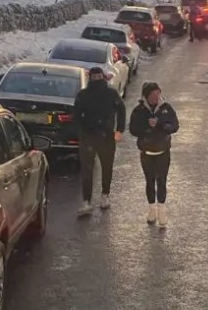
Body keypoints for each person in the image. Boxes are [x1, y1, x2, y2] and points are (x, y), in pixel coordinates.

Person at [72, 67, 126, 216]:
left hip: (107, 136)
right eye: (94, 77)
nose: (96, 79)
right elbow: (76, 114)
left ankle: (105, 195)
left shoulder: (111, 93)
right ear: (90, 78)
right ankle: (86, 201)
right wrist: (80, 130)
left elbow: (121, 109)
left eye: (99, 76)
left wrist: (119, 129)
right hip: (88, 136)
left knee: (107, 166)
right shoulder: (83, 95)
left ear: (103, 77)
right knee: (87, 170)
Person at [128, 82, 179, 227]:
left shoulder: (166, 109)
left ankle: (162, 211)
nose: (156, 97)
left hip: (163, 151)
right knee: (149, 181)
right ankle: (151, 210)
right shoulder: (139, 111)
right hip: (146, 152)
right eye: (153, 94)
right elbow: (132, 129)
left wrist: (161, 125)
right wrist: (146, 127)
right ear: (146, 96)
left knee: (161, 181)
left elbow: (174, 126)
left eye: (158, 93)